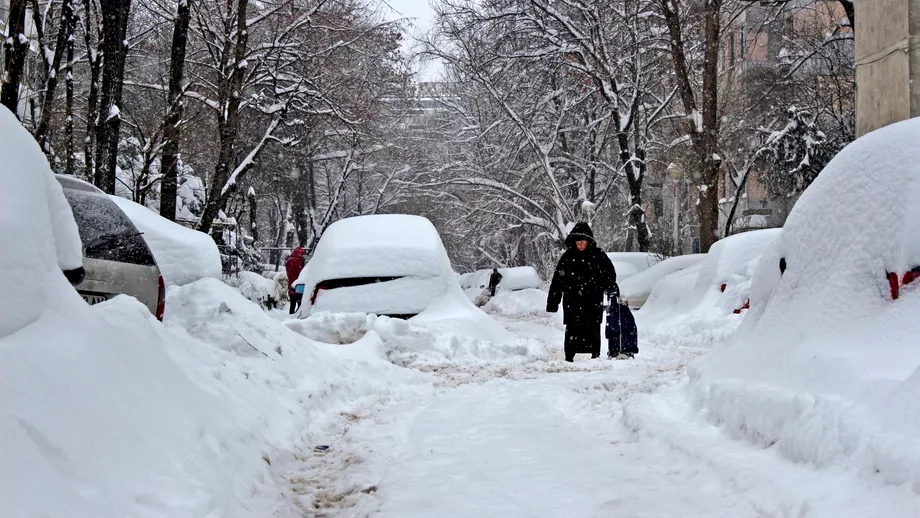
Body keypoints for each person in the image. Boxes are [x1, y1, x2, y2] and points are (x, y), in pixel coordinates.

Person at [546, 222, 617, 362]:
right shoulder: (567, 257)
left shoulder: (598, 256)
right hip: (572, 302)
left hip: (593, 300)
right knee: (572, 329)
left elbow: (610, 274)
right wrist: (553, 303)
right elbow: (557, 281)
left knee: (594, 328)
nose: (580, 245)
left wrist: (610, 287)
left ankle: (595, 356)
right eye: (578, 242)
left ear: (588, 241)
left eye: (583, 242)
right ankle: (569, 356)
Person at [606, 291, 638, 359]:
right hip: (617, 302)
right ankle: (623, 349)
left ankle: (616, 349)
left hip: (616, 302)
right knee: (625, 326)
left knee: (616, 325)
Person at [285, 247, 306, 314]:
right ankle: (297, 318)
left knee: (292, 304)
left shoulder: (289, 260)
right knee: (300, 305)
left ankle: (291, 316)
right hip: (298, 286)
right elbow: (301, 272)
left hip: (291, 285)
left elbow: (289, 273)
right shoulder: (297, 261)